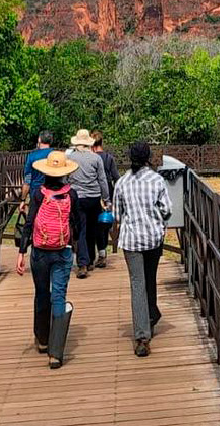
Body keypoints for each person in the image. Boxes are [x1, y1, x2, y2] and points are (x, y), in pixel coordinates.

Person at [16, 150, 79, 369]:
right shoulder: (71, 195)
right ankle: (56, 352)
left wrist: (21, 252)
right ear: (64, 172)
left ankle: (42, 339)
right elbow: (77, 224)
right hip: (63, 250)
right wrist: (76, 248)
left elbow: (29, 222)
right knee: (59, 296)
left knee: (42, 293)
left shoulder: (38, 194)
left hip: (40, 251)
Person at [114, 141, 171, 357]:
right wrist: (158, 222)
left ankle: (142, 336)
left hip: (131, 240)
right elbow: (167, 209)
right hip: (153, 238)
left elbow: (117, 215)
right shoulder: (157, 180)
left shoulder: (122, 182)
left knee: (137, 284)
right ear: (148, 157)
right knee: (150, 278)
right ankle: (150, 317)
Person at [65, 129, 109, 279]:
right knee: (92, 228)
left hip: (77, 197)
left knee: (81, 230)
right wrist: (106, 198)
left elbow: (65, 178)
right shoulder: (96, 158)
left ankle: (83, 263)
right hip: (94, 197)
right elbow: (102, 179)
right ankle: (90, 259)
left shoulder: (71, 158)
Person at [91, 130, 120, 268]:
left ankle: (96, 253)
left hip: (93, 193)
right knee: (104, 224)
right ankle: (102, 253)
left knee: (94, 224)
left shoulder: (91, 158)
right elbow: (116, 177)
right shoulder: (109, 158)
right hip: (108, 192)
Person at [21, 131, 54, 210]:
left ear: (39, 140)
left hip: (36, 192)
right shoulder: (55, 155)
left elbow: (27, 180)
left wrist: (23, 199)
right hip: (52, 193)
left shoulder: (32, 156)